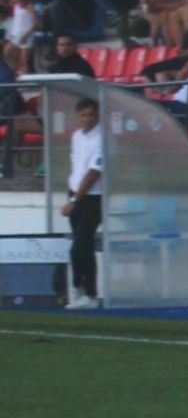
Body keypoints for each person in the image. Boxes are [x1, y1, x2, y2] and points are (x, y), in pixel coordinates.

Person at [61, 97, 104, 310]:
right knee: (82, 247)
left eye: (91, 114)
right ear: (78, 116)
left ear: (97, 115)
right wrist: (71, 195)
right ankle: (84, 291)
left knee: (81, 245)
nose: (87, 119)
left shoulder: (103, 138)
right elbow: (77, 167)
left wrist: (74, 200)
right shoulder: (76, 136)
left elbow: (94, 173)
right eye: (83, 115)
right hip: (75, 194)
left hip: (92, 198)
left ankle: (86, 291)